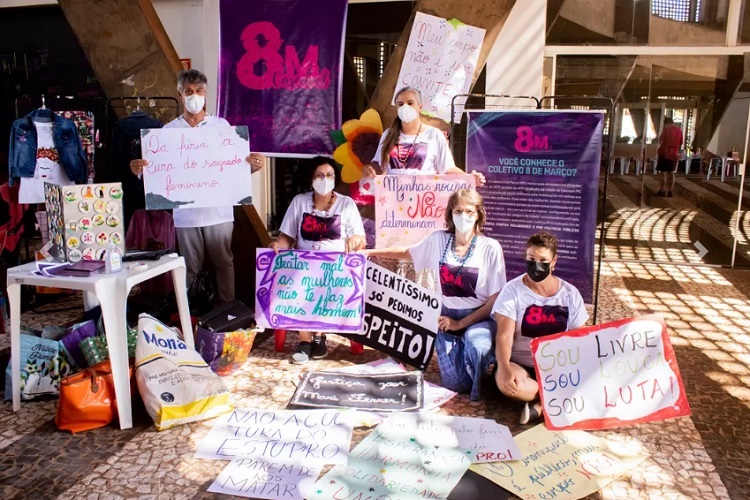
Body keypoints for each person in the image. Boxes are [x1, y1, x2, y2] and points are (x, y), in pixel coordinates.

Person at [130, 69, 266, 304]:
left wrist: (253, 166)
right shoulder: (167, 132)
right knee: (190, 268)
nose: (194, 96)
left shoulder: (222, 127)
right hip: (186, 216)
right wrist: (141, 171)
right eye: (188, 91)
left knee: (224, 262)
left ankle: (227, 311)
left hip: (219, 213)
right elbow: (160, 176)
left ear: (206, 94)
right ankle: (191, 313)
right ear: (180, 95)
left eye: (199, 91)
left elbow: (234, 169)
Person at [364, 189, 505, 400]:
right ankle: (467, 359)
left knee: (478, 347)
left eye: (469, 211)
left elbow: (495, 300)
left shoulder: (491, 247)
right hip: (447, 316)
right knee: (456, 383)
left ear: (478, 215)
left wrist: (462, 324)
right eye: (458, 210)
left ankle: (483, 361)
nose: (463, 216)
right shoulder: (439, 240)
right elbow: (407, 253)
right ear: (450, 214)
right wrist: (368, 253)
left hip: (479, 317)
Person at [271, 156, 366, 364]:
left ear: (335, 178)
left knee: (325, 286)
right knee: (298, 284)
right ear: (311, 179)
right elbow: (287, 237)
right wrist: (280, 246)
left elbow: (360, 238)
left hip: (336, 269)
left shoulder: (346, 204)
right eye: (320, 175)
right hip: (304, 267)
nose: (325, 179)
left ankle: (319, 336)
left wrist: (355, 239)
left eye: (329, 175)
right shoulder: (300, 201)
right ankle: (305, 340)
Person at [492, 231, 588, 424]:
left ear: (554, 262)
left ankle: (542, 406)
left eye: (543, 259)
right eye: (531, 258)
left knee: (590, 378)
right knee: (509, 384)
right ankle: (557, 401)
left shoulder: (570, 294)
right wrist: (503, 367)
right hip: (521, 363)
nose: (536, 264)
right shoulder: (512, 290)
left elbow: (580, 336)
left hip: (558, 365)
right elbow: (504, 336)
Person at [361, 86, 485, 186]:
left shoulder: (434, 135)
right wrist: (369, 168)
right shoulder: (388, 135)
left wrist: (470, 178)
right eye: (400, 104)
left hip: (424, 203)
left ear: (420, 107)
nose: (405, 107)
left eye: (410, 103)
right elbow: (378, 165)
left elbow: (447, 169)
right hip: (393, 202)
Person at [656, 116, 683, 197]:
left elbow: (660, 141)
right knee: (671, 173)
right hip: (674, 154)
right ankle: (670, 191)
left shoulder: (666, 130)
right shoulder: (679, 131)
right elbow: (681, 142)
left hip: (665, 153)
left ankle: (662, 190)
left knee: (663, 173)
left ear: (666, 123)